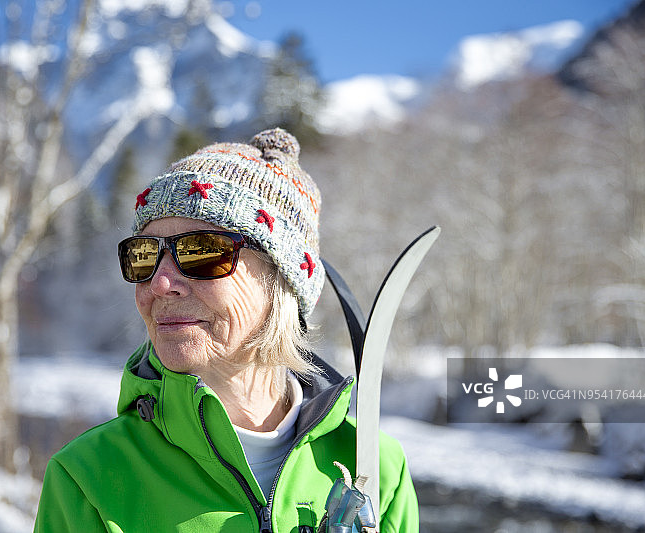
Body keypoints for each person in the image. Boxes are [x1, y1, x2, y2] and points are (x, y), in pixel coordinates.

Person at [33, 128, 419, 532]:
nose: (159, 284)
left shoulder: (376, 469)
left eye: (201, 251)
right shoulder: (87, 479)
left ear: (282, 281)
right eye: (144, 256)